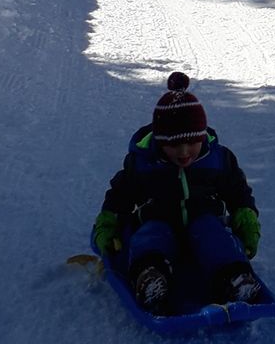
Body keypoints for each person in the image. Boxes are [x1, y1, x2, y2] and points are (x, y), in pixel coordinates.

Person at [90, 73, 263, 315]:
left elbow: (237, 190)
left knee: (215, 237)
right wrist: (109, 221)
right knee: (149, 237)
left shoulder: (217, 159)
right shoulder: (144, 163)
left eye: (192, 142)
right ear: (160, 142)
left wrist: (246, 218)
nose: (184, 152)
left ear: (202, 136)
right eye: (173, 144)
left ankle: (233, 278)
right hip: (158, 218)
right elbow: (122, 193)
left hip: (202, 218)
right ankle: (151, 278)